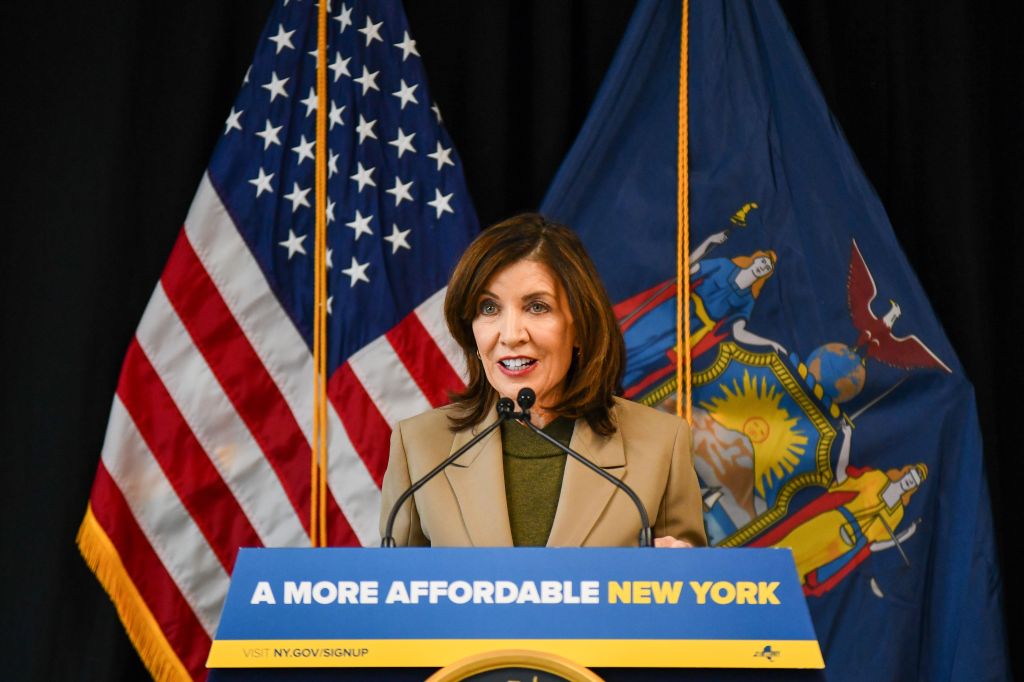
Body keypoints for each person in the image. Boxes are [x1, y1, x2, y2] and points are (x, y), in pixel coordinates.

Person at [379, 213, 707, 548]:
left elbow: (688, 591)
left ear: (579, 326)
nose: (510, 335)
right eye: (489, 309)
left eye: (537, 307)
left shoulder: (660, 444)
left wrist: (684, 573)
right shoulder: (419, 446)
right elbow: (395, 592)